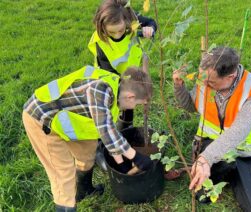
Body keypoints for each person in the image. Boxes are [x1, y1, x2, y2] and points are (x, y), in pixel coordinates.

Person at [22, 65, 153, 211]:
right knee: (63, 175)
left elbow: (109, 132)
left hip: (69, 117)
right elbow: (107, 131)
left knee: (87, 153)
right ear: (130, 96)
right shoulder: (100, 91)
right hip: (41, 119)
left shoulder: (118, 88)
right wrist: (136, 157)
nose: (134, 108)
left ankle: (84, 190)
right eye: (136, 104)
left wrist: (122, 164)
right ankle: (66, 206)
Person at [173, 47, 251, 211]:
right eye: (202, 78)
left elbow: (240, 130)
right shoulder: (205, 77)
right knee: (203, 197)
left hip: (240, 150)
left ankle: (234, 170)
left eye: (211, 82)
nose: (204, 84)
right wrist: (178, 86)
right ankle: (225, 170)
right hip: (208, 143)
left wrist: (206, 158)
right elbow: (191, 106)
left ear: (230, 77)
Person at [88, 0, 157, 130]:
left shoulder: (132, 20)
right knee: (111, 105)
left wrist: (150, 28)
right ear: (102, 27)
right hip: (107, 77)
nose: (117, 35)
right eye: (111, 32)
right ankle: (105, 132)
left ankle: (125, 125)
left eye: (120, 30)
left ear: (126, 20)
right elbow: (109, 73)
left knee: (128, 107)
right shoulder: (100, 42)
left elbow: (151, 22)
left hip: (129, 72)